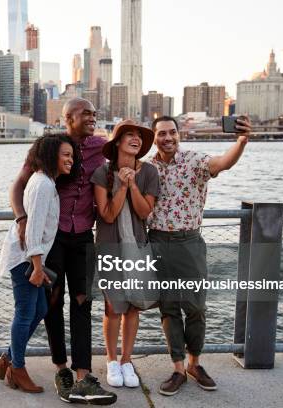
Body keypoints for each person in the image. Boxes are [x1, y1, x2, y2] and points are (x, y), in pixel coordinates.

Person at [8, 98, 117, 405]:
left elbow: (131, 148)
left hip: (84, 237)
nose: (93, 117)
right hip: (52, 239)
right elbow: (17, 186)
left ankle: (84, 376)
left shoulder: (100, 146)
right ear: (67, 118)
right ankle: (61, 369)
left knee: (82, 304)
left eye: (95, 113)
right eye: (85, 113)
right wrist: (21, 218)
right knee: (52, 303)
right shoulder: (49, 147)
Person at [148, 115, 252, 396]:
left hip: (189, 242)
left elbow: (223, 163)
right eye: (161, 134)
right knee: (168, 309)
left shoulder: (194, 161)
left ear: (179, 135)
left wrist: (241, 141)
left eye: (172, 133)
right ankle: (178, 368)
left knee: (195, 308)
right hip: (156, 241)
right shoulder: (147, 167)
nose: (167, 138)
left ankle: (195, 363)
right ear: (154, 137)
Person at [0, 135, 76, 393]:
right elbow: (31, 231)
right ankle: (17, 368)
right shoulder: (41, 184)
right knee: (25, 312)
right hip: (25, 259)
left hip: (28, 256)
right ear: (51, 155)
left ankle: (9, 356)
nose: (70, 160)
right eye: (65, 155)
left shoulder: (46, 182)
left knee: (41, 307)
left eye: (72, 156)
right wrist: (38, 268)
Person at [91, 119, 159, 388]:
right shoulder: (101, 174)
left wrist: (132, 185)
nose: (136, 139)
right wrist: (120, 185)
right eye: (129, 135)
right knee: (113, 307)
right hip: (110, 248)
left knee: (133, 305)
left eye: (139, 136)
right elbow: (107, 215)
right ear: (117, 142)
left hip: (139, 248)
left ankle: (127, 360)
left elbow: (144, 212)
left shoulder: (149, 173)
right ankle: (111, 360)